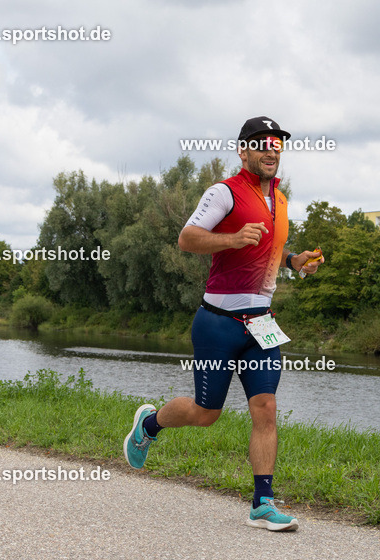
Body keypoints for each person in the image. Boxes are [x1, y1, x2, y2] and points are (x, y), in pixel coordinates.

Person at [124, 116, 324, 531]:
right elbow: (187, 238)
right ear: (243, 150)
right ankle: (148, 425)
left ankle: (262, 504)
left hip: (261, 325)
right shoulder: (224, 192)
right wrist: (231, 239)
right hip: (218, 323)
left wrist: (293, 261)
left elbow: (267, 251)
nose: (271, 150)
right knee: (206, 413)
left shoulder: (280, 200)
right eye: (262, 143)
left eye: (277, 144)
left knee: (265, 408)